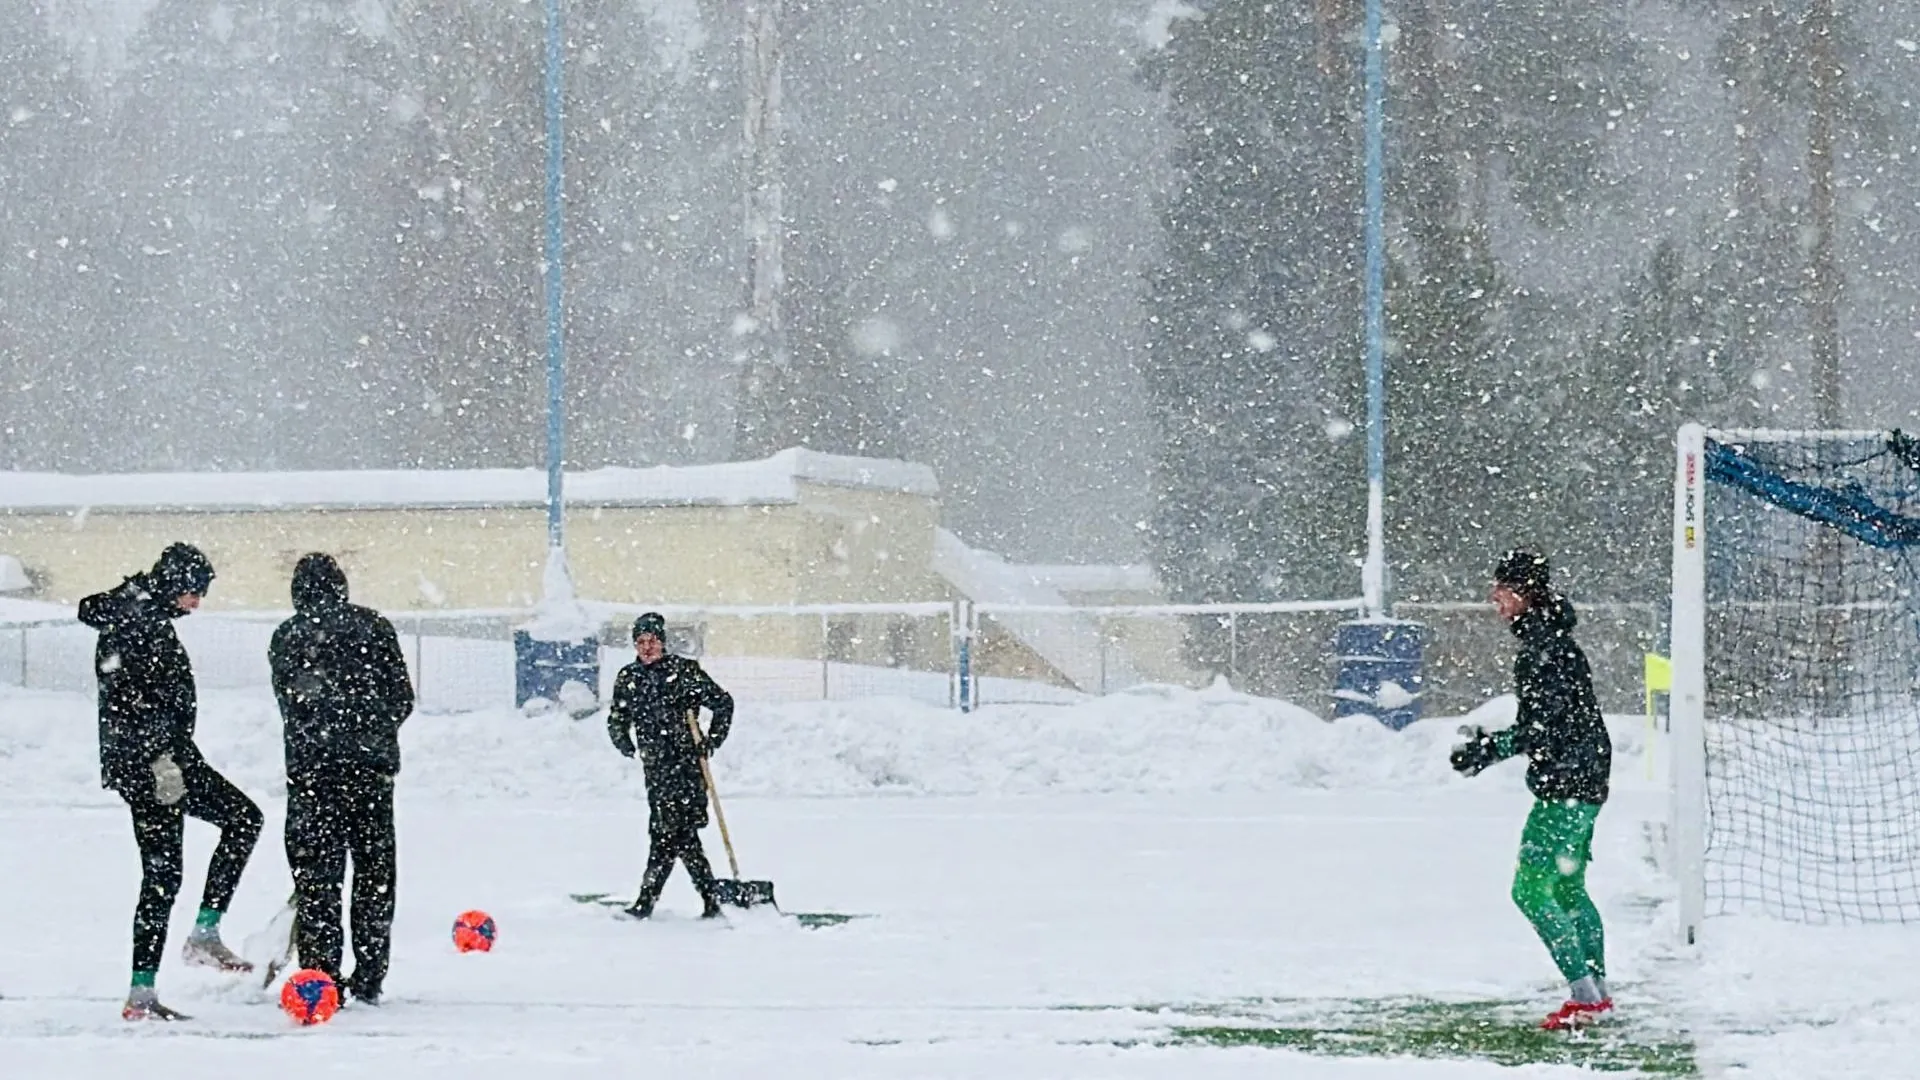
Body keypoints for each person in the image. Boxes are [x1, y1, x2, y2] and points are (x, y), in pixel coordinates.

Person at [78, 542, 264, 1022]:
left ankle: (158, 977)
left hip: (163, 761)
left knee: (178, 865)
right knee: (182, 863)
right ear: (171, 585)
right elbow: (132, 703)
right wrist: (160, 759)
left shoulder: (138, 613)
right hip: (157, 767)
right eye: (192, 592)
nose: (197, 603)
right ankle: (165, 970)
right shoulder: (139, 622)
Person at [1451, 549, 1614, 1030]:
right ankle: (1597, 994)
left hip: (1567, 785)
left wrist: (1489, 750)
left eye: (1501, 590)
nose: (1493, 598)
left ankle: (1585, 997)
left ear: (1522, 594)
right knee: (1567, 887)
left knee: (1530, 890)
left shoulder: (1544, 650)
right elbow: (1551, 723)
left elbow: (1541, 728)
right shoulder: (1555, 641)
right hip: (1584, 780)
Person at [269, 553, 414, 1006]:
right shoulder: (374, 628)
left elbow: (290, 703)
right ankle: (369, 974)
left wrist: (320, 734)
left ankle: (319, 978)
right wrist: (371, 731)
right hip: (369, 774)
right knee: (374, 876)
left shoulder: (287, 637)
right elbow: (402, 697)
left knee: (317, 882)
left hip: (313, 778)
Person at [606, 612, 735, 919]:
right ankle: (710, 899)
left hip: (688, 767)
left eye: (652, 641)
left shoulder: (684, 672)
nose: (647, 647)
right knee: (679, 835)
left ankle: (648, 901)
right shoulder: (629, 678)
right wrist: (622, 740)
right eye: (640, 642)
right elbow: (618, 716)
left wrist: (711, 741)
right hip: (657, 770)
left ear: (662, 642)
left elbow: (723, 703)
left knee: (670, 833)